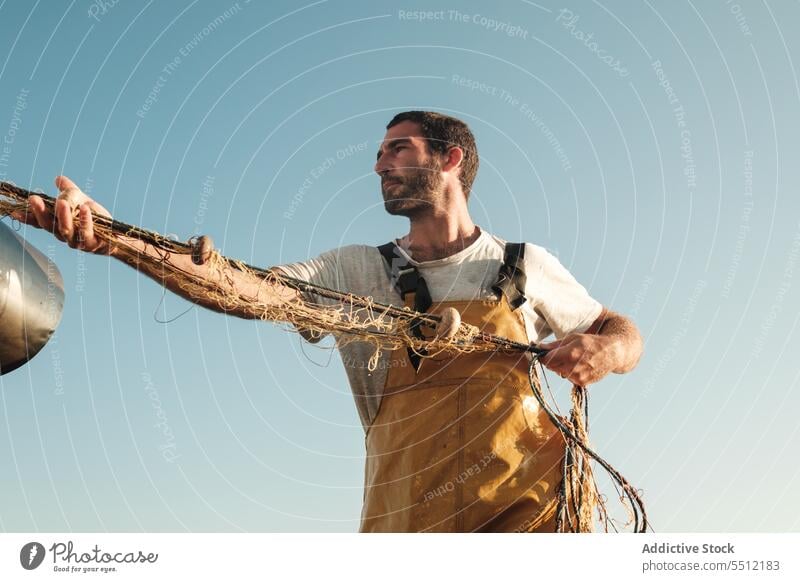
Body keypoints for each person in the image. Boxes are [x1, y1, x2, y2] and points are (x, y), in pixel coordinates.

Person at [16, 110, 642, 532]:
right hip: (406, 524)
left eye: (398, 148)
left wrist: (605, 352)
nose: (379, 165)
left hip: (531, 520)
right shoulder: (355, 272)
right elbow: (244, 288)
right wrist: (119, 240)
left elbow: (621, 330)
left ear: (451, 158)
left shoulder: (522, 264)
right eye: (377, 154)